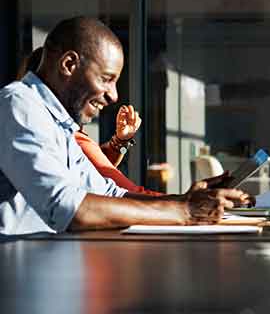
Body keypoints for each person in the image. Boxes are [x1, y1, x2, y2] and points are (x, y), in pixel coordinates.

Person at [0, 17, 247, 236]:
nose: (114, 96)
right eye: (106, 79)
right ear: (68, 65)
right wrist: (184, 211)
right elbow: (68, 208)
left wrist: (187, 201)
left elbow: (112, 194)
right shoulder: (18, 104)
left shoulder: (59, 123)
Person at [20, 47, 161, 196]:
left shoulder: (55, 127)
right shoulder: (68, 135)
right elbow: (127, 195)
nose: (113, 95)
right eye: (104, 79)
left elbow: (93, 169)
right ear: (68, 68)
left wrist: (121, 142)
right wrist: (184, 205)